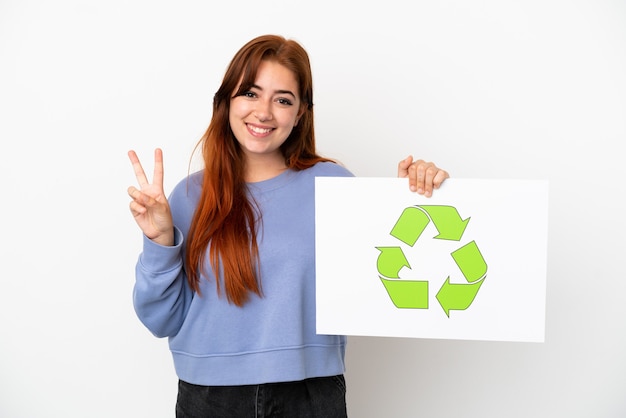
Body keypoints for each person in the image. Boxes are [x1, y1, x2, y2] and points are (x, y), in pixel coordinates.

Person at [127, 34, 449, 417]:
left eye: (282, 100)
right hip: (209, 398)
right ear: (226, 101)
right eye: (250, 93)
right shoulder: (187, 197)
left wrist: (407, 202)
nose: (263, 111)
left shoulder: (333, 185)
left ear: (299, 114)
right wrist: (160, 240)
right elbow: (161, 320)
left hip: (309, 395)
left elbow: (378, 280)